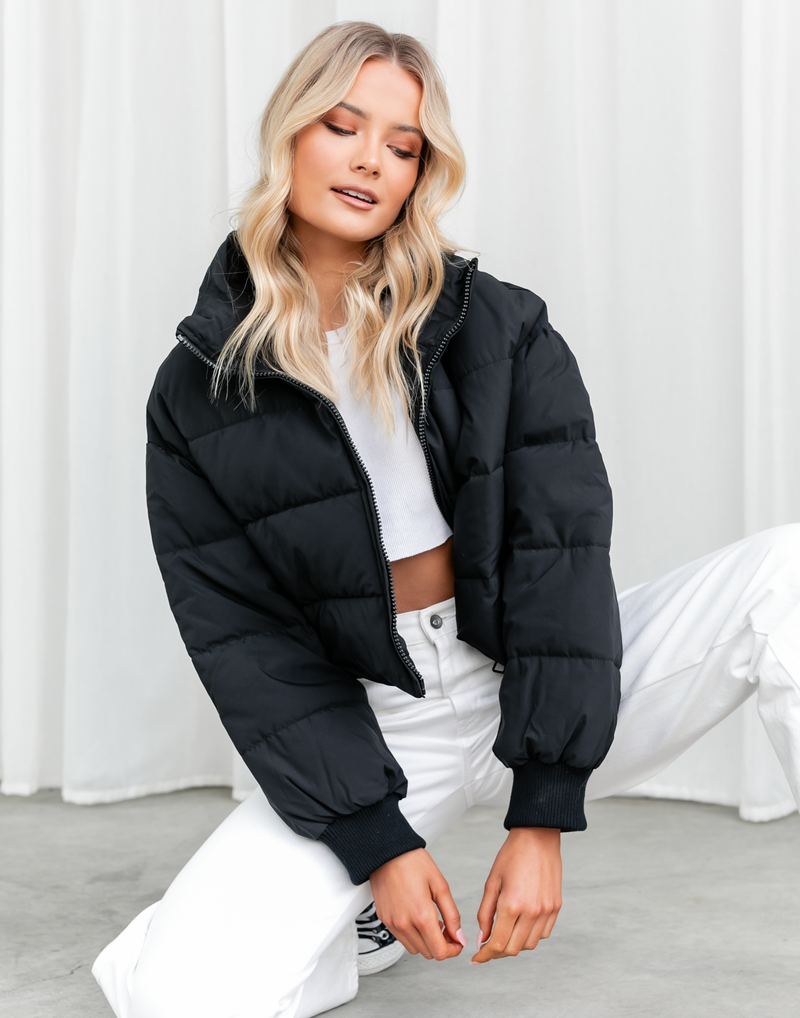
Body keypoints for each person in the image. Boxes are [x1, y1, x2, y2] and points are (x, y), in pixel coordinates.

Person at [92, 21, 800, 1018]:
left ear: (421, 173)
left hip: (524, 670)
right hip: (385, 722)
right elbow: (246, 642)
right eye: (342, 126)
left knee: (787, 576)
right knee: (178, 997)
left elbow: (558, 561)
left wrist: (542, 814)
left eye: (402, 145)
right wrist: (377, 845)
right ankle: (347, 924)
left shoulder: (496, 327)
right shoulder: (201, 386)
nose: (369, 160)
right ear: (291, 134)